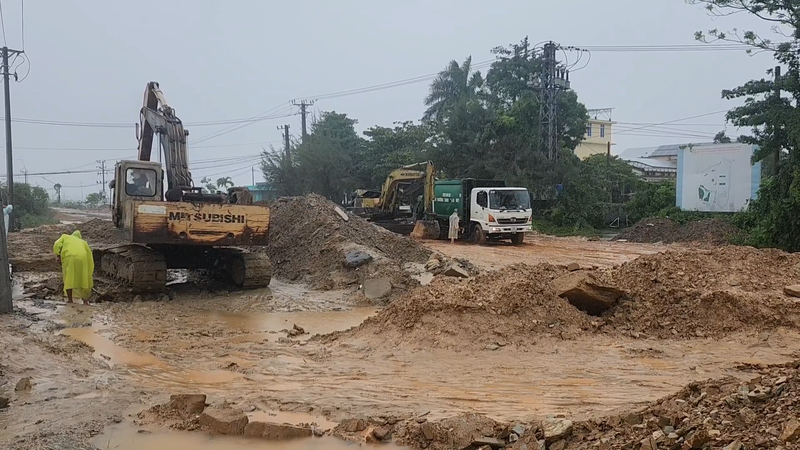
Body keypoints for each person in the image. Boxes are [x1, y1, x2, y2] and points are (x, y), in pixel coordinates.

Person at [53, 230, 94, 304]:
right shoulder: (83, 242)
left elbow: (56, 244)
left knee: (69, 277)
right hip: (83, 259)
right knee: (83, 278)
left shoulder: (65, 237)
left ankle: (70, 300)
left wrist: (58, 255)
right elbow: (89, 255)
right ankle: (85, 301)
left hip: (69, 257)